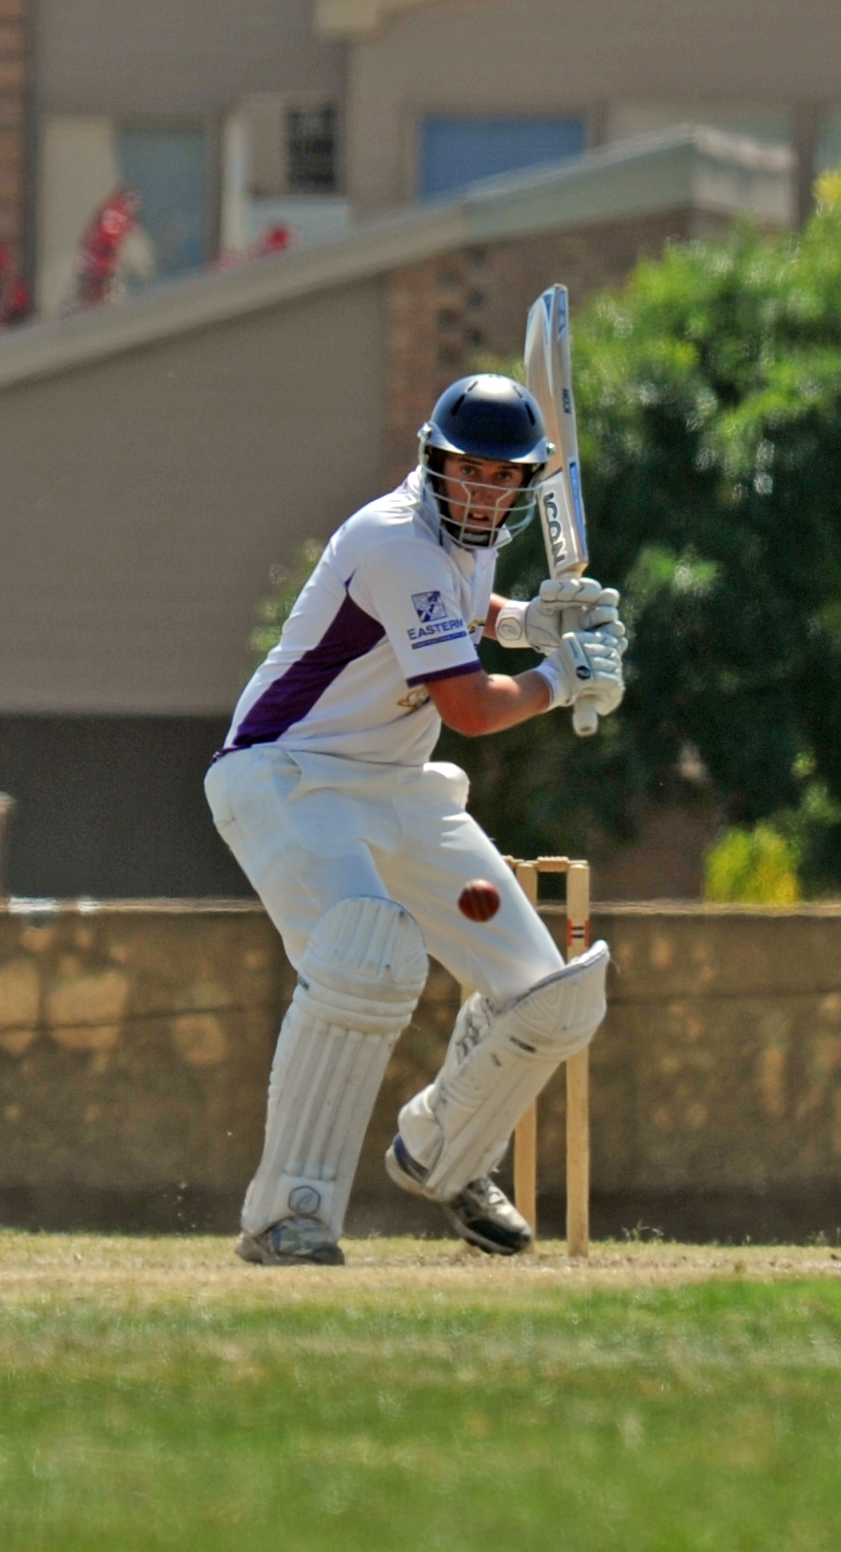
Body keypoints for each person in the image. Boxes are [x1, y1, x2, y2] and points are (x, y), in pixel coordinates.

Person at [204, 374, 626, 1266]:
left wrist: (529, 623)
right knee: (366, 957)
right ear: (433, 462)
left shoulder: (465, 544)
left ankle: (444, 1151)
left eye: (503, 478)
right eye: (468, 471)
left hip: (396, 786)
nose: (483, 493)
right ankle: (287, 1216)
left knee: (547, 996)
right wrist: (560, 678)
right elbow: (469, 708)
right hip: (289, 779)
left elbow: (466, 607)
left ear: (523, 484)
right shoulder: (394, 541)